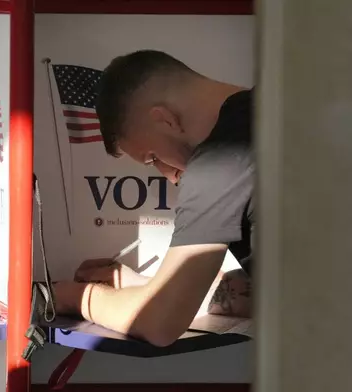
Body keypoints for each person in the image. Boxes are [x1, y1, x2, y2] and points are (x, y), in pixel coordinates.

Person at [43, 50, 254, 347]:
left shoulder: (216, 162)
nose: (170, 176)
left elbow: (158, 324)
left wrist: (64, 297)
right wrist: (144, 286)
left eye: (153, 157)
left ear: (164, 119)